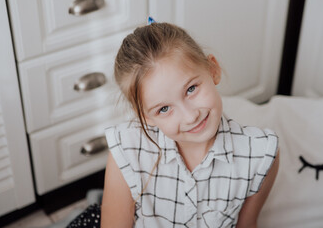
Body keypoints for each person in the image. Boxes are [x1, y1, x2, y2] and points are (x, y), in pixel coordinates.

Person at [100, 21, 279, 228]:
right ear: (145, 116)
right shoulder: (126, 149)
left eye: (191, 89)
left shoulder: (261, 154)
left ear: (213, 70)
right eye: (164, 109)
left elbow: (247, 224)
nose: (190, 117)